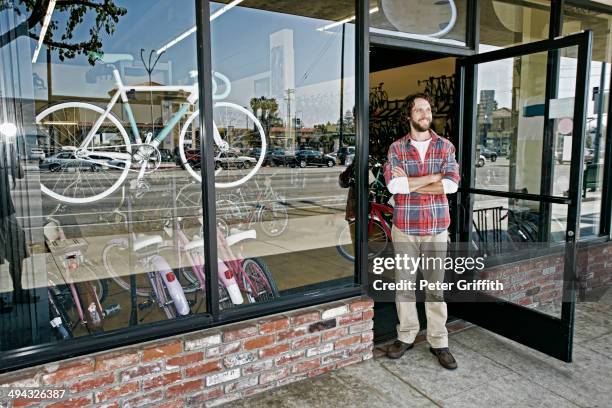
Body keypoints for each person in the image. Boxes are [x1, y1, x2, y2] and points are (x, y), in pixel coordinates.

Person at [383, 93, 460, 369]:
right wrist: (432, 177)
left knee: (435, 288)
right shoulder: (397, 149)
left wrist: (413, 183)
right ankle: (405, 336)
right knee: (404, 285)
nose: (425, 114)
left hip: (436, 228)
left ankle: (438, 341)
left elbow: (451, 185)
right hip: (405, 228)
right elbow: (395, 187)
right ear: (409, 116)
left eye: (427, 109)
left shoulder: (445, 147)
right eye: (419, 110)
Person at [0, 127, 30, 312]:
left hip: (6, 210)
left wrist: (12, 149)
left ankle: (19, 291)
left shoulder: (4, 147)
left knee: (17, 252)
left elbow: (19, 173)